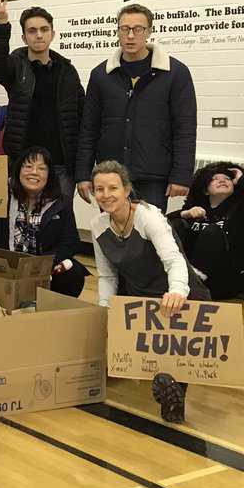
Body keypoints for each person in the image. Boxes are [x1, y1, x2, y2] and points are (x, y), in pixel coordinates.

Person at [90, 160, 209, 423]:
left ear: (127, 189)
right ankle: (166, 384)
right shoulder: (98, 226)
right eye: (100, 189)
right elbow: (107, 275)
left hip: (179, 293)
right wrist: (105, 308)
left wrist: (177, 291)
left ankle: (175, 395)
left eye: (113, 188)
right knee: (154, 358)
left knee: (176, 354)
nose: (106, 195)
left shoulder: (149, 217)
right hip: (140, 297)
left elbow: (174, 259)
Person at [76, 4, 197, 213]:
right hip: (110, 177)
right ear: (117, 32)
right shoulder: (101, 75)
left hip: (153, 176)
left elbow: (184, 129)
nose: (130, 35)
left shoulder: (175, 73)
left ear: (149, 31)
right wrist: (83, 174)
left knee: (149, 238)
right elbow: (89, 129)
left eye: (138, 29)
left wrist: (181, 175)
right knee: (112, 236)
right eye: (124, 29)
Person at [0, 0, 84, 203]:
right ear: (23, 37)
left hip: (60, 164)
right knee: (21, 221)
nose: (39, 35)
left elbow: (81, 116)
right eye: (32, 31)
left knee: (58, 222)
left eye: (44, 29)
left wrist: (83, 168)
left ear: (52, 34)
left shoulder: (67, 71)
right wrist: (2, 21)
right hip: (24, 161)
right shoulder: (15, 67)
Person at [0, 147, 88, 297]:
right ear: (18, 170)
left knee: (73, 274)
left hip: (42, 268)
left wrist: (41, 266)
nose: (34, 172)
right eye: (28, 166)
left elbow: (70, 243)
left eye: (42, 168)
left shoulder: (61, 203)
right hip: (6, 267)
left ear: (49, 175)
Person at [169, 163, 244, 305]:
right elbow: (162, 224)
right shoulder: (196, 208)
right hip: (184, 277)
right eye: (214, 179)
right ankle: (176, 280)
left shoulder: (242, 209)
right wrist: (185, 214)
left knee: (212, 232)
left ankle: (192, 285)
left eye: (227, 178)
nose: (222, 181)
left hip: (223, 279)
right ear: (205, 190)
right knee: (177, 224)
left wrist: (243, 179)